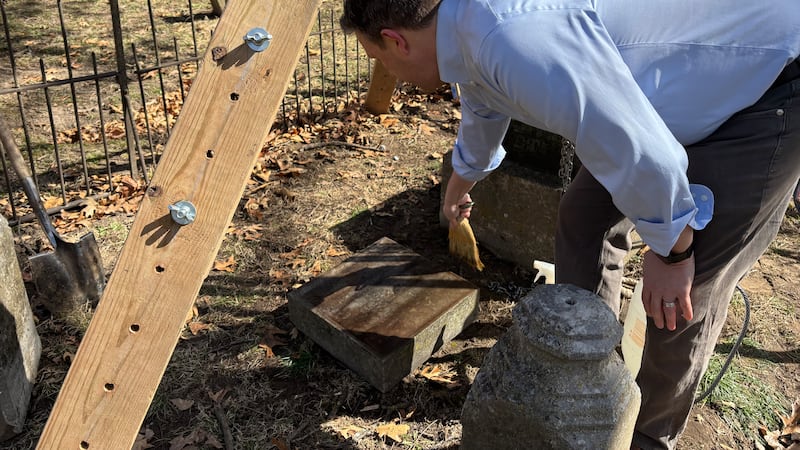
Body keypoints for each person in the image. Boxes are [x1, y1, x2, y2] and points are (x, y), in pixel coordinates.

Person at [340, 1, 800, 448]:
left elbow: (646, 155)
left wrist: (673, 252)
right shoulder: (465, 26)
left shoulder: (515, 38)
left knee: (682, 296)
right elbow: (484, 104)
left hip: (767, 80)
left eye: (377, 59)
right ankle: (590, 372)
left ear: (395, 41)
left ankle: (644, 436)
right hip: (672, 83)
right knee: (584, 221)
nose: (389, 75)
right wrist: (460, 183)